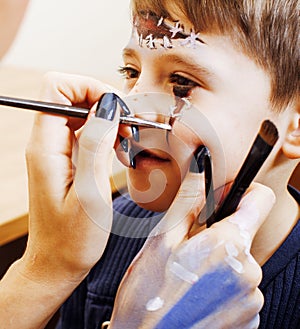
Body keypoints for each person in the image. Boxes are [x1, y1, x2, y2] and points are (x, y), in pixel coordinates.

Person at [0, 0, 299, 328]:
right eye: (131, 72)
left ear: (295, 127)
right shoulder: (104, 231)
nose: (132, 108)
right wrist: (45, 268)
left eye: (181, 83)